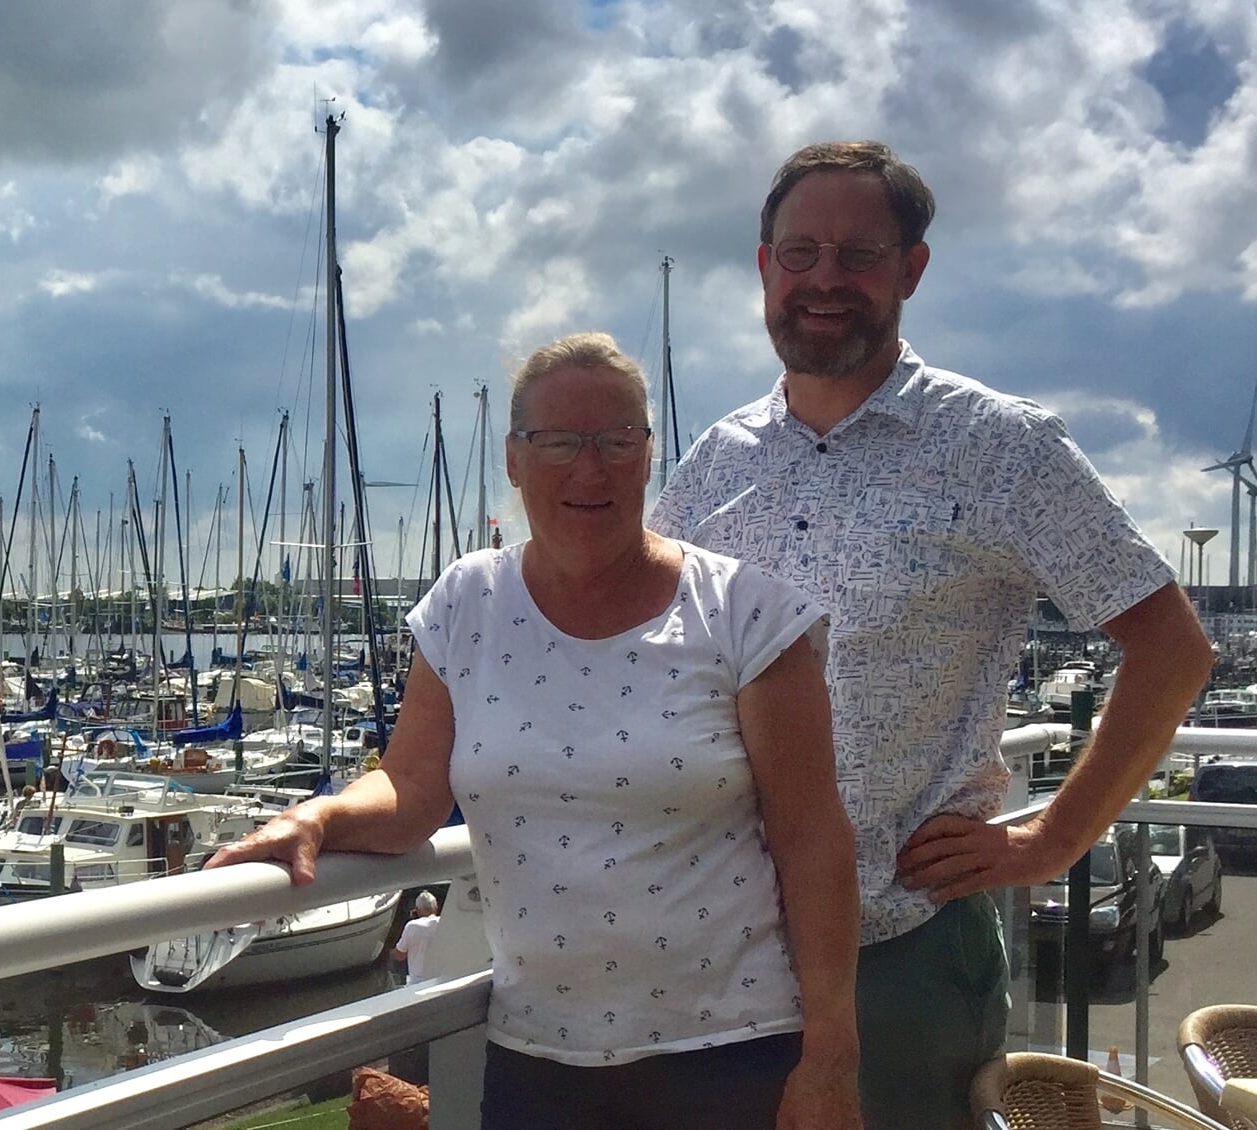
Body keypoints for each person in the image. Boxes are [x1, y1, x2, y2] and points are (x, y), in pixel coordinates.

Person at [649, 140, 1215, 1129]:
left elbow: (1173, 651)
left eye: (858, 254)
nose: (824, 279)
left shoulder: (1000, 446)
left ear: (910, 269)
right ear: (762, 266)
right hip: (718, 946)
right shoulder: (718, 458)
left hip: (897, 954)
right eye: (800, 252)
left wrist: (1056, 835)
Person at [208, 333, 861, 1129]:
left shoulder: (745, 614)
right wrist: (317, 816)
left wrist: (831, 1054)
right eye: (558, 443)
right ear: (514, 460)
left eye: (618, 440)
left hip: (729, 1053)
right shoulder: (465, 604)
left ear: (649, 455)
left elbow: (813, 837)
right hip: (537, 1061)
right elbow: (413, 788)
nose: (590, 469)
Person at [393, 890, 441, 985]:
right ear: (436, 908)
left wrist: (389, 953)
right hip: (440, 980)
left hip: (417, 982)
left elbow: (400, 955)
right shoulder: (444, 922)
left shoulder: (411, 926)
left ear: (417, 910)